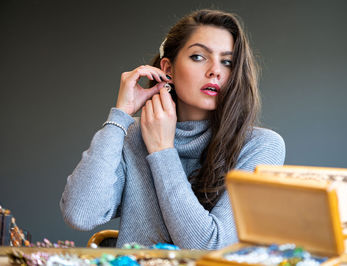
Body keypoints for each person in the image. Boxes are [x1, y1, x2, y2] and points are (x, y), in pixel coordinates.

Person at [60, 9, 285, 250]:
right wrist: (120, 116)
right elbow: (80, 214)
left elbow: (209, 247)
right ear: (168, 69)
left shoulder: (260, 146)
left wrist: (162, 151)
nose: (215, 71)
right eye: (199, 57)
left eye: (227, 62)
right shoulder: (133, 134)